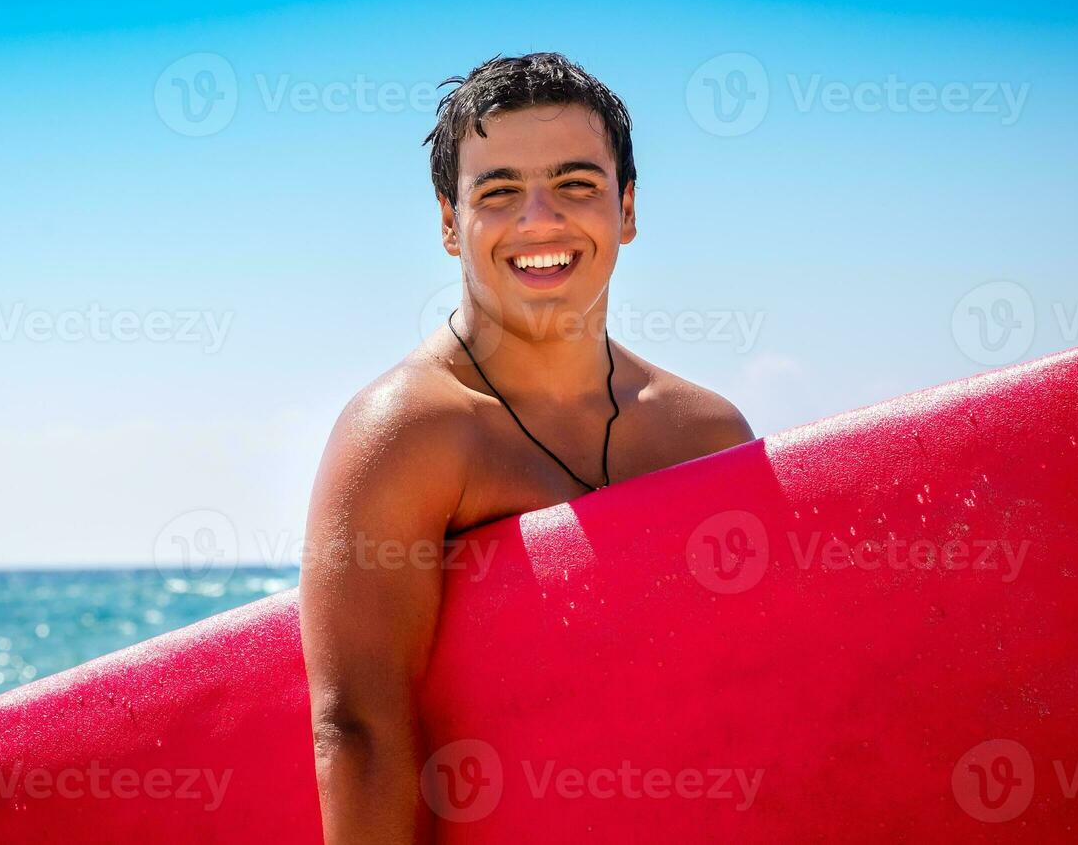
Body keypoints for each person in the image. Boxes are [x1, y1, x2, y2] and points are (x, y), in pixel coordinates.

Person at [299, 52, 754, 843]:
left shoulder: (704, 434)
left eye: (577, 186)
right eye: (500, 192)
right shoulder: (410, 433)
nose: (539, 220)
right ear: (450, 222)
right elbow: (360, 728)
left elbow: (756, 683)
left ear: (629, 208)